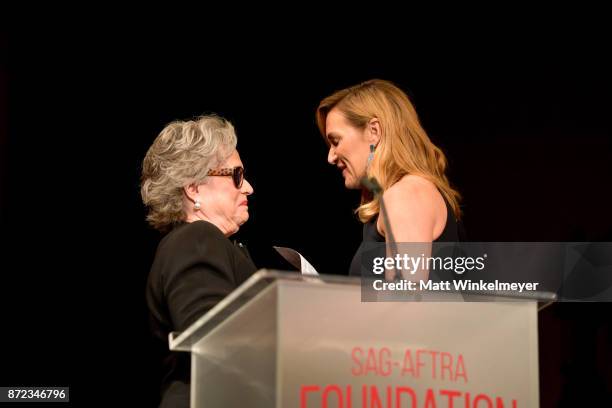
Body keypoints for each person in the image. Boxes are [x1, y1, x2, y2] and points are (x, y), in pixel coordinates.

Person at [141, 114, 256, 407]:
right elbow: (213, 338)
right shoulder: (197, 239)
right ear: (193, 188)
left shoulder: (197, 242)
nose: (248, 188)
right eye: (237, 176)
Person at [315, 79, 463, 280]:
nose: (330, 157)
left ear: (374, 131)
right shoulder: (399, 195)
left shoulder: (405, 195)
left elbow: (407, 299)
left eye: (336, 141)